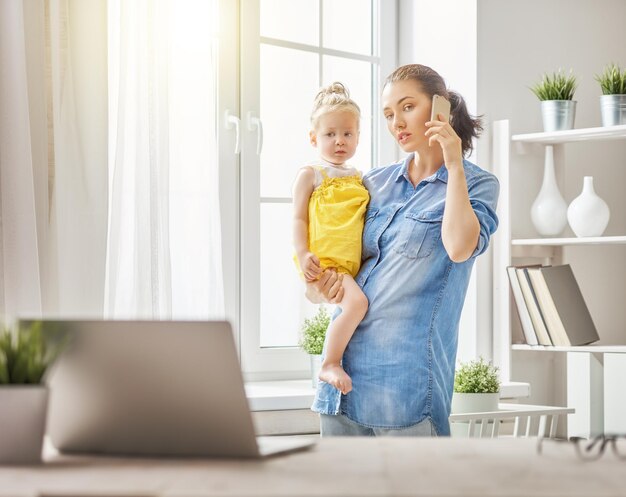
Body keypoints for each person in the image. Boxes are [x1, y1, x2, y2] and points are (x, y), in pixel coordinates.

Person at [308, 64, 500, 437]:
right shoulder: (372, 182)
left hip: (406, 391)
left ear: (440, 107)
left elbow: (460, 248)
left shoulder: (478, 184)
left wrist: (454, 163)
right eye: (388, 114)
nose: (397, 122)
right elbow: (337, 258)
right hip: (340, 386)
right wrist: (322, 284)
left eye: (407, 107)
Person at [292, 82, 370, 395]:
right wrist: (302, 253)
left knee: (356, 306)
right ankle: (330, 363)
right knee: (357, 304)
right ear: (314, 138)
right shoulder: (311, 174)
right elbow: (298, 217)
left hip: (350, 263)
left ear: (358, 136)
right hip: (325, 262)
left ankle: (337, 360)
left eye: (348, 134)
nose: (340, 141)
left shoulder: (359, 177)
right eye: (330, 134)